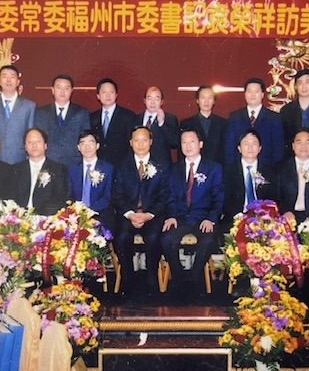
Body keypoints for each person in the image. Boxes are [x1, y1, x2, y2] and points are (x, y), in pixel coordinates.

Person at [161, 129, 223, 295]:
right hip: (181, 218)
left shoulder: (213, 168)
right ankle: (180, 278)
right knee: (167, 239)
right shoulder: (174, 169)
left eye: (192, 141)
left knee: (207, 241)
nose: (188, 146)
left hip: (203, 219)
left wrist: (211, 219)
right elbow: (169, 196)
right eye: (184, 142)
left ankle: (194, 279)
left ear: (200, 144)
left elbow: (219, 198)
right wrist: (171, 216)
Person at [112, 126, 170, 295]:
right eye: (136, 140)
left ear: (151, 142)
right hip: (128, 215)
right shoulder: (122, 166)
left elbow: (164, 195)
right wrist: (130, 214)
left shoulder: (162, 165)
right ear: (131, 143)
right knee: (122, 236)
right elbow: (117, 195)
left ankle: (151, 277)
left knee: (153, 237)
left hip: (151, 215)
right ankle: (127, 277)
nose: (140, 144)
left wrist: (148, 215)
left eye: (144, 140)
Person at [0, 65, 36, 165]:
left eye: (12, 77)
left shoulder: (29, 106)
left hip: (20, 159)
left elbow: (31, 135)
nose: (8, 80)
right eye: (5, 76)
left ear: (18, 82)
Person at [221, 129, 277, 229]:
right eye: (246, 144)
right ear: (239, 148)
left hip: (263, 220)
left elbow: (273, 199)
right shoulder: (228, 171)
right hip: (235, 219)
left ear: (260, 148)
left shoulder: (270, 172)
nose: (250, 147)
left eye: (254, 143)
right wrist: (240, 218)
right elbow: (225, 200)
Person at [225, 78, 284, 166]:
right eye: (249, 91)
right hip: (240, 168)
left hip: (267, 167)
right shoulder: (234, 116)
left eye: (256, 91)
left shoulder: (274, 117)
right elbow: (229, 147)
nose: (252, 95)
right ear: (245, 94)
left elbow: (278, 148)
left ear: (262, 94)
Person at [34, 74, 90, 168]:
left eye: (66, 88)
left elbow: (85, 139)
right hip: (48, 163)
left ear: (71, 91)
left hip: (74, 164)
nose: (62, 91)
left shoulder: (81, 112)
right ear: (53, 90)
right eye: (59, 87)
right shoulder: (41, 113)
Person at [12, 128, 68, 216]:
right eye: (30, 142)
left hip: (45, 218)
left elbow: (58, 199)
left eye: (38, 142)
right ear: (25, 147)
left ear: (45, 145)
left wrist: (38, 218)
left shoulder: (58, 169)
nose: (34, 145)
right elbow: (11, 198)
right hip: (19, 218)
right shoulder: (16, 169)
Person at [68, 130, 115, 232]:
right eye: (83, 143)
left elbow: (108, 197)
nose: (87, 147)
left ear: (97, 146)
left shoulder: (108, 168)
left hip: (100, 213)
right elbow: (69, 195)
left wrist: (89, 212)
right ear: (78, 147)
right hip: (77, 214)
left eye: (91, 143)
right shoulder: (73, 169)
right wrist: (77, 211)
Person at [90, 78, 136, 167]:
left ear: (116, 95)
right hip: (98, 166)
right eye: (104, 92)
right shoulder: (92, 117)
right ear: (98, 96)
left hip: (121, 166)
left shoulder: (128, 116)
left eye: (111, 92)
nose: (108, 95)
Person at [179, 85, 227, 166]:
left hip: (217, 167)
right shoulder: (187, 123)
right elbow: (181, 151)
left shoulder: (223, 123)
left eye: (210, 98)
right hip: (194, 166)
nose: (206, 101)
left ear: (214, 101)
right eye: (203, 98)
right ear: (197, 100)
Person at [134, 86, 180, 165]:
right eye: (149, 98)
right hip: (139, 164)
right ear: (144, 100)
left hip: (162, 166)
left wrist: (162, 123)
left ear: (162, 102)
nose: (152, 102)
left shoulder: (169, 118)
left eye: (156, 99)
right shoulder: (135, 119)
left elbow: (174, 143)